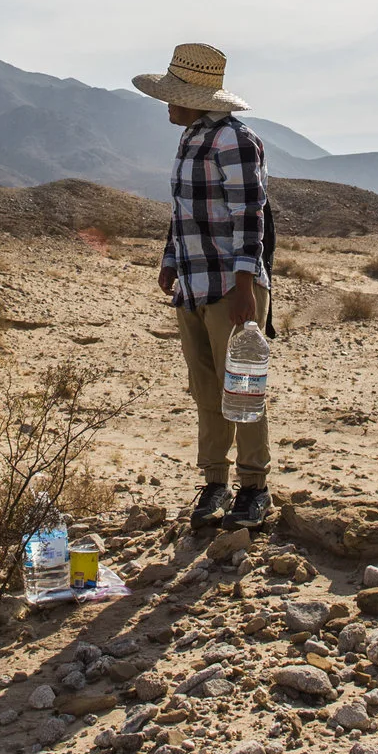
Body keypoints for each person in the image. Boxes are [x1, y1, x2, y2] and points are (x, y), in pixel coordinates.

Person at [134, 42, 275, 529]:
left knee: (243, 387)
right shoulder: (192, 138)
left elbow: (248, 215)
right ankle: (215, 481)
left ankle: (255, 487)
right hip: (194, 282)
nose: (167, 104)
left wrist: (242, 286)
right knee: (206, 389)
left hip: (230, 285)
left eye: (173, 96)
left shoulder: (234, 141)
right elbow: (184, 213)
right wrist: (170, 259)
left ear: (199, 97)